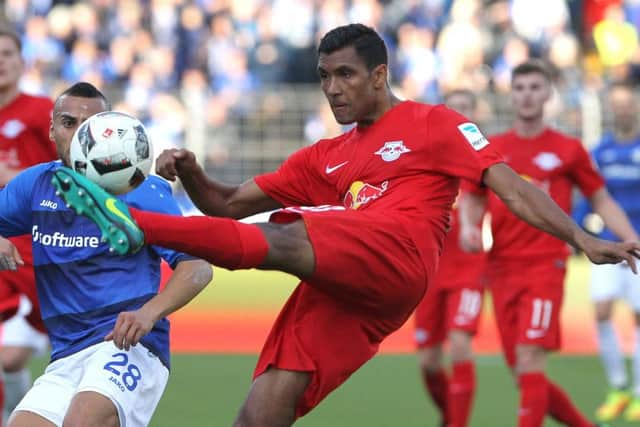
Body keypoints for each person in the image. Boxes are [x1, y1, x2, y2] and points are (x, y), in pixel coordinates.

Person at [51, 25, 639, 427]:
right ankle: (139, 224)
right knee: (261, 410)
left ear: (380, 75)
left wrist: (582, 238)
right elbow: (228, 206)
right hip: (353, 288)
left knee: (286, 235)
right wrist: (195, 173)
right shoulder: (325, 156)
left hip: (399, 253)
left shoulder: (434, 123)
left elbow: (511, 186)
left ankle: (133, 223)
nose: (332, 88)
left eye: (346, 75)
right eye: (325, 75)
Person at [0, 81, 213, 427]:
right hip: (66, 354)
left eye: (92, 127)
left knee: (84, 420)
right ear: (51, 130)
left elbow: (198, 267)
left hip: (129, 345)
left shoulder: (139, 190)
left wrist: (148, 314)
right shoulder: (36, 185)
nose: (82, 136)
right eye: (69, 124)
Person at [458, 60, 638, 427]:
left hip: (546, 266)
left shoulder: (568, 149)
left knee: (529, 360)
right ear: (512, 95)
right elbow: (473, 195)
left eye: (535, 87)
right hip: (502, 267)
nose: (527, 95)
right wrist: (469, 225)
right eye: (520, 88)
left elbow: (600, 198)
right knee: (522, 371)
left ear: (548, 93)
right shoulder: (494, 148)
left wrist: (628, 237)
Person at [413, 89, 487, 427]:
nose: (460, 116)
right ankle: (449, 415)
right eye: (454, 109)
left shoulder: (483, 162)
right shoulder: (426, 160)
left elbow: (494, 201)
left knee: (459, 347)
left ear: (474, 116)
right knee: (428, 362)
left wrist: (474, 227)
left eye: (466, 109)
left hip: (469, 271)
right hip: (430, 274)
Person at [573, 82, 640, 422]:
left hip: (639, 247)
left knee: (639, 318)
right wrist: (576, 230)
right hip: (609, 244)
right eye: (618, 104)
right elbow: (590, 194)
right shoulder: (601, 151)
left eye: (629, 103)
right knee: (601, 312)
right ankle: (618, 387)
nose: (624, 109)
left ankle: (639, 393)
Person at [0, 27, 55, 419]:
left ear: (21, 61)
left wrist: (14, 177)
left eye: (7, 53)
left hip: (30, 251)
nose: (0, 61)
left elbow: (68, 170)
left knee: (11, 357)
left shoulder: (41, 111)